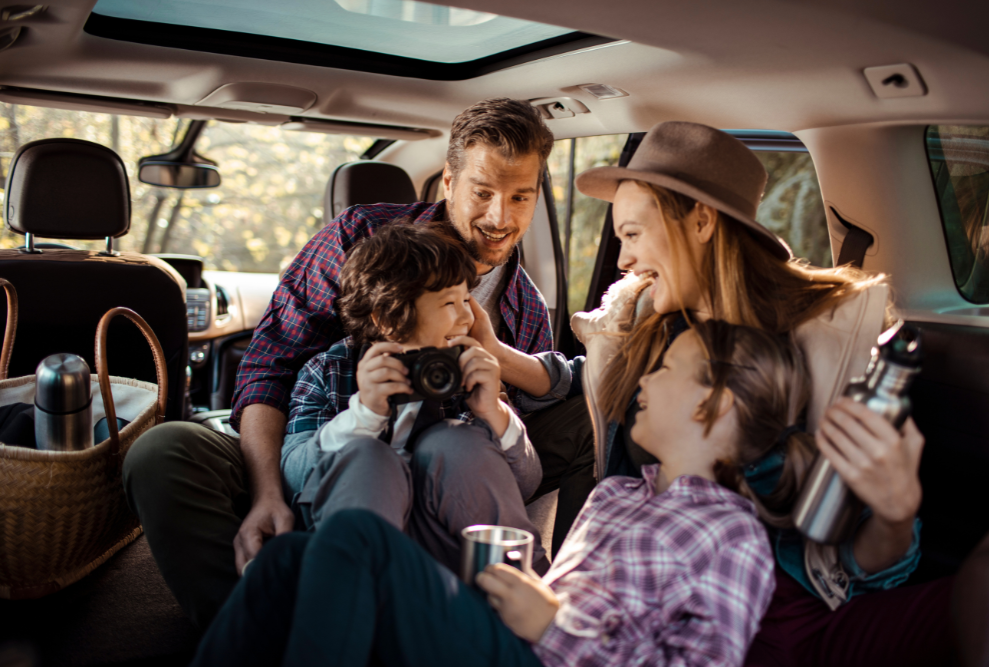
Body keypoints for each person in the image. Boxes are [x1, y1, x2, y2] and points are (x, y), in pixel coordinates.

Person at [477, 121, 954, 666]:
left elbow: (854, 559)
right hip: (634, 601)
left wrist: (895, 517)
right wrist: (497, 354)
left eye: (632, 235)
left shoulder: (827, 346)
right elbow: (589, 377)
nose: (622, 259)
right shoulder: (641, 323)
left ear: (700, 220)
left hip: (766, 611)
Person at [122, 98, 595, 629]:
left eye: (520, 196)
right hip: (333, 448)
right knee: (164, 449)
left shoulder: (524, 303)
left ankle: (566, 611)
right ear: (448, 182)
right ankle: (255, 628)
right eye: (483, 192)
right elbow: (270, 367)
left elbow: (520, 449)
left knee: (594, 416)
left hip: (456, 456)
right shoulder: (361, 240)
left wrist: (495, 386)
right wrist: (268, 494)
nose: (500, 217)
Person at [189, 319, 820, 667]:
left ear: (714, 403)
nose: (643, 379)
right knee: (289, 559)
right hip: (514, 641)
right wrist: (533, 598)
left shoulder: (731, 532)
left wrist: (555, 627)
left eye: (663, 368)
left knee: (356, 538)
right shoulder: (620, 494)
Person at [285, 221, 545, 573]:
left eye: (466, 299)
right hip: (361, 541)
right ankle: (358, 604)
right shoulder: (329, 371)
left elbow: (525, 484)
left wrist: (494, 412)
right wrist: (363, 415)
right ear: (388, 317)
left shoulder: (467, 372)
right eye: (449, 302)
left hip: (447, 543)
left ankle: (517, 596)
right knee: (367, 458)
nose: (466, 316)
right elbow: (295, 474)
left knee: (454, 443)